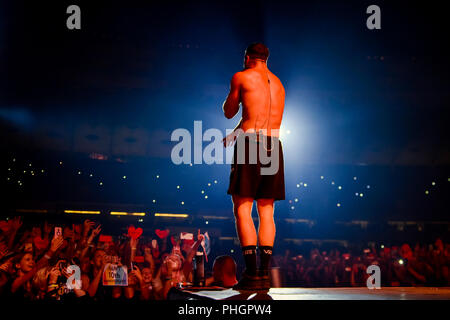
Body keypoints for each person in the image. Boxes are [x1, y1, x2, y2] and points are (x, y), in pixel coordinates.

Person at [222, 42, 286, 289]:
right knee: (267, 210)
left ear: (247, 57)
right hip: (274, 144)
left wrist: (231, 96)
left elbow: (229, 111)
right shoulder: (279, 85)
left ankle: (250, 274)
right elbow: (256, 117)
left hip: (250, 144)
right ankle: (263, 274)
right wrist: (235, 133)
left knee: (242, 207)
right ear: (266, 59)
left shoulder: (241, 76)